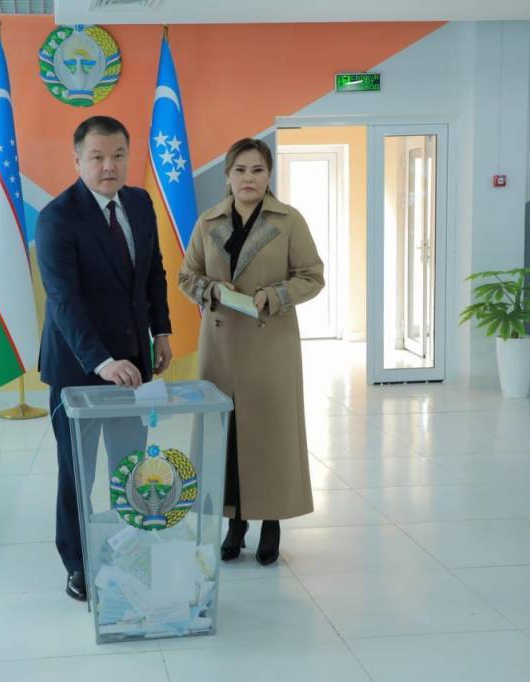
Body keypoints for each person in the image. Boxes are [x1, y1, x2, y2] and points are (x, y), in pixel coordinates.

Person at [36, 115, 173, 601]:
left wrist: (161, 331)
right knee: (79, 472)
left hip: (134, 366)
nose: (109, 166)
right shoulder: (57, 218)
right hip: (79, 369)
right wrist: (102, 362)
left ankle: (129, 548)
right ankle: (77, 562)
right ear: (77, 160)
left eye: (117, 155)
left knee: (130, 467)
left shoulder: (139, 203)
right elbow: (64, 302)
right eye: (97, 157)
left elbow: (153, 273)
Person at [178, 137, 324, 566]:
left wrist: (273, 295)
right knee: (225, 435)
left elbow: (312, 276)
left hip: (270, 343)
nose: (248, 178)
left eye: (257, 170)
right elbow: (187, 276)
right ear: (227, 175)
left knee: (270, 433)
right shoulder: (208, 221)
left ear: (269, 174)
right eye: (240, 170)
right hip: (220, 345)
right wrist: (210, 289)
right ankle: (234, 523)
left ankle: (271, 523)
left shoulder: (289, 221)